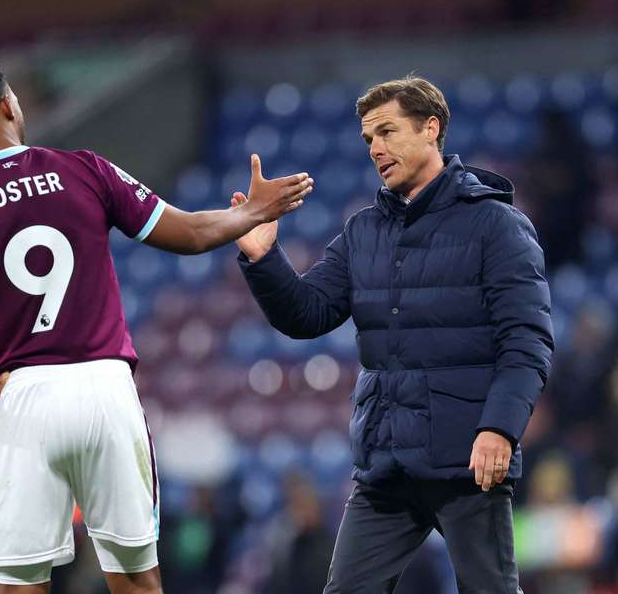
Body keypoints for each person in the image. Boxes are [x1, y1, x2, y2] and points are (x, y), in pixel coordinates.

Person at [0, 55, 313, 594]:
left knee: (21, 586)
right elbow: (190, 233)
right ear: (8, 105)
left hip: (15, 402)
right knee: (137, 581)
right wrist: (251, 212)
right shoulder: (84, 169)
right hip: (102, 387)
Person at [232, 76, 554, 592]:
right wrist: (263, 257)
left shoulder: (497, 225)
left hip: (467, 459)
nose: (375, 149)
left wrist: (500, 428)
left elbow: (527, 341)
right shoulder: (363, 231)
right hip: (386, 462)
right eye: (368, 139)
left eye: (386, 132)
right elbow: (306, 315)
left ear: (431, 129)